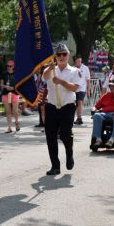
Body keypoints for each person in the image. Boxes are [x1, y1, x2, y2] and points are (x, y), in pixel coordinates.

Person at [41, 44, 83, 175]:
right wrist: (50, 68)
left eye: (64, 54)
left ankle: (69, 154)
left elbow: (75, 88)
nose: (61, 57)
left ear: (68, 56)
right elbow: (44, 77)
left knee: (65, 134)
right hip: (52, 106)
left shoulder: (75, 71)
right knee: (50, 136)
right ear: (55, 56)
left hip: (67, 107)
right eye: (58, 54)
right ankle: (55, 165)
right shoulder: (50, 70)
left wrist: (62, 82)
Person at [90, 77, 114, 149]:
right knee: (96, 115)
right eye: (111, 86)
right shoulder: (106, 95)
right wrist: (93, 109)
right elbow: (96, 106)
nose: (112, 87)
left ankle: (112, 140)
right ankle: (98, 139)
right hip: (105, 114)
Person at [0, 60, 20, 133]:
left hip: (15, 93)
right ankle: (9, 127)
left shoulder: (17, 74)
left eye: (10, 66)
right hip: (6, 94)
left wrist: (13, 88)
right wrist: (6, 86)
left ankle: (17, 122)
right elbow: (1, 85)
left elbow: (19, 84)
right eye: (7, 66)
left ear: (13, 66)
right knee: (8, 111)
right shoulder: (4, 74)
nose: (9, 67)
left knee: (15, 111)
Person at [73, 55, 90, 124]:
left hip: (82, 88)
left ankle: (79, 118)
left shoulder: (85, 68)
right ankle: (75, 117)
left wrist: (88, 90)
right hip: (74, 88)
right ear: (75, 62)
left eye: (80, 61)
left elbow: (88, 79)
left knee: (80, 102)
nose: (79, 63)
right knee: (75, 104)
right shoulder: (72, 68)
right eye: (77, 61)